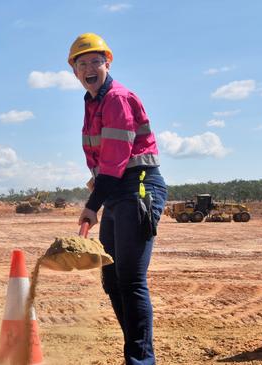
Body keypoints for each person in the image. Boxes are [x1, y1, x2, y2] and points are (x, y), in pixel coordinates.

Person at [69, 33, 168, 365]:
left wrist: (91, 205)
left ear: (107, 63)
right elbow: (103, 163)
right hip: (115, 191)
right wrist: (97, 188)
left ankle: (141, 360)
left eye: (95, 61)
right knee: (111, 277)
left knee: (130, 279)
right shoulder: (92, 101)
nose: (88, 68)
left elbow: (115, 161)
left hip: (138, 189)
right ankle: (136, 352)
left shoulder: (116, 99)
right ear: (74, 71)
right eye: (81, 63)